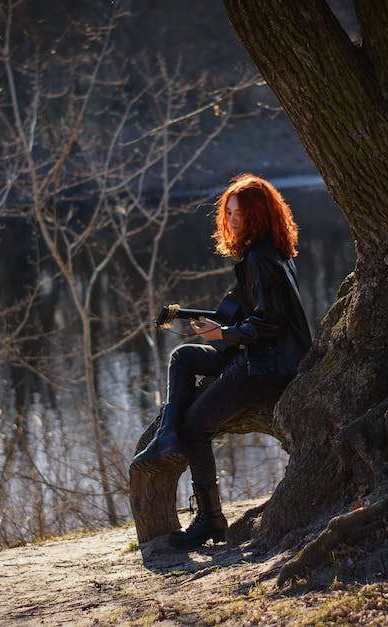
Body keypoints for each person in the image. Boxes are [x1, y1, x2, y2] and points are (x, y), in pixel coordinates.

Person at [131, 173, 313, 550]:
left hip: (268, 367)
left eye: (238, 213)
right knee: (184, 356)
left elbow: (270, 322)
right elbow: (257, 313)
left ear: (257, 215)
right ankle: (167, 435)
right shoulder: (271, 251)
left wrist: (225, 335)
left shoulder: (261, 258)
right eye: (228, 212)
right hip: (261, 356)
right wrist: (221, 329)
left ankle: (209, 519)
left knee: (196, 425)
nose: (230, 219)